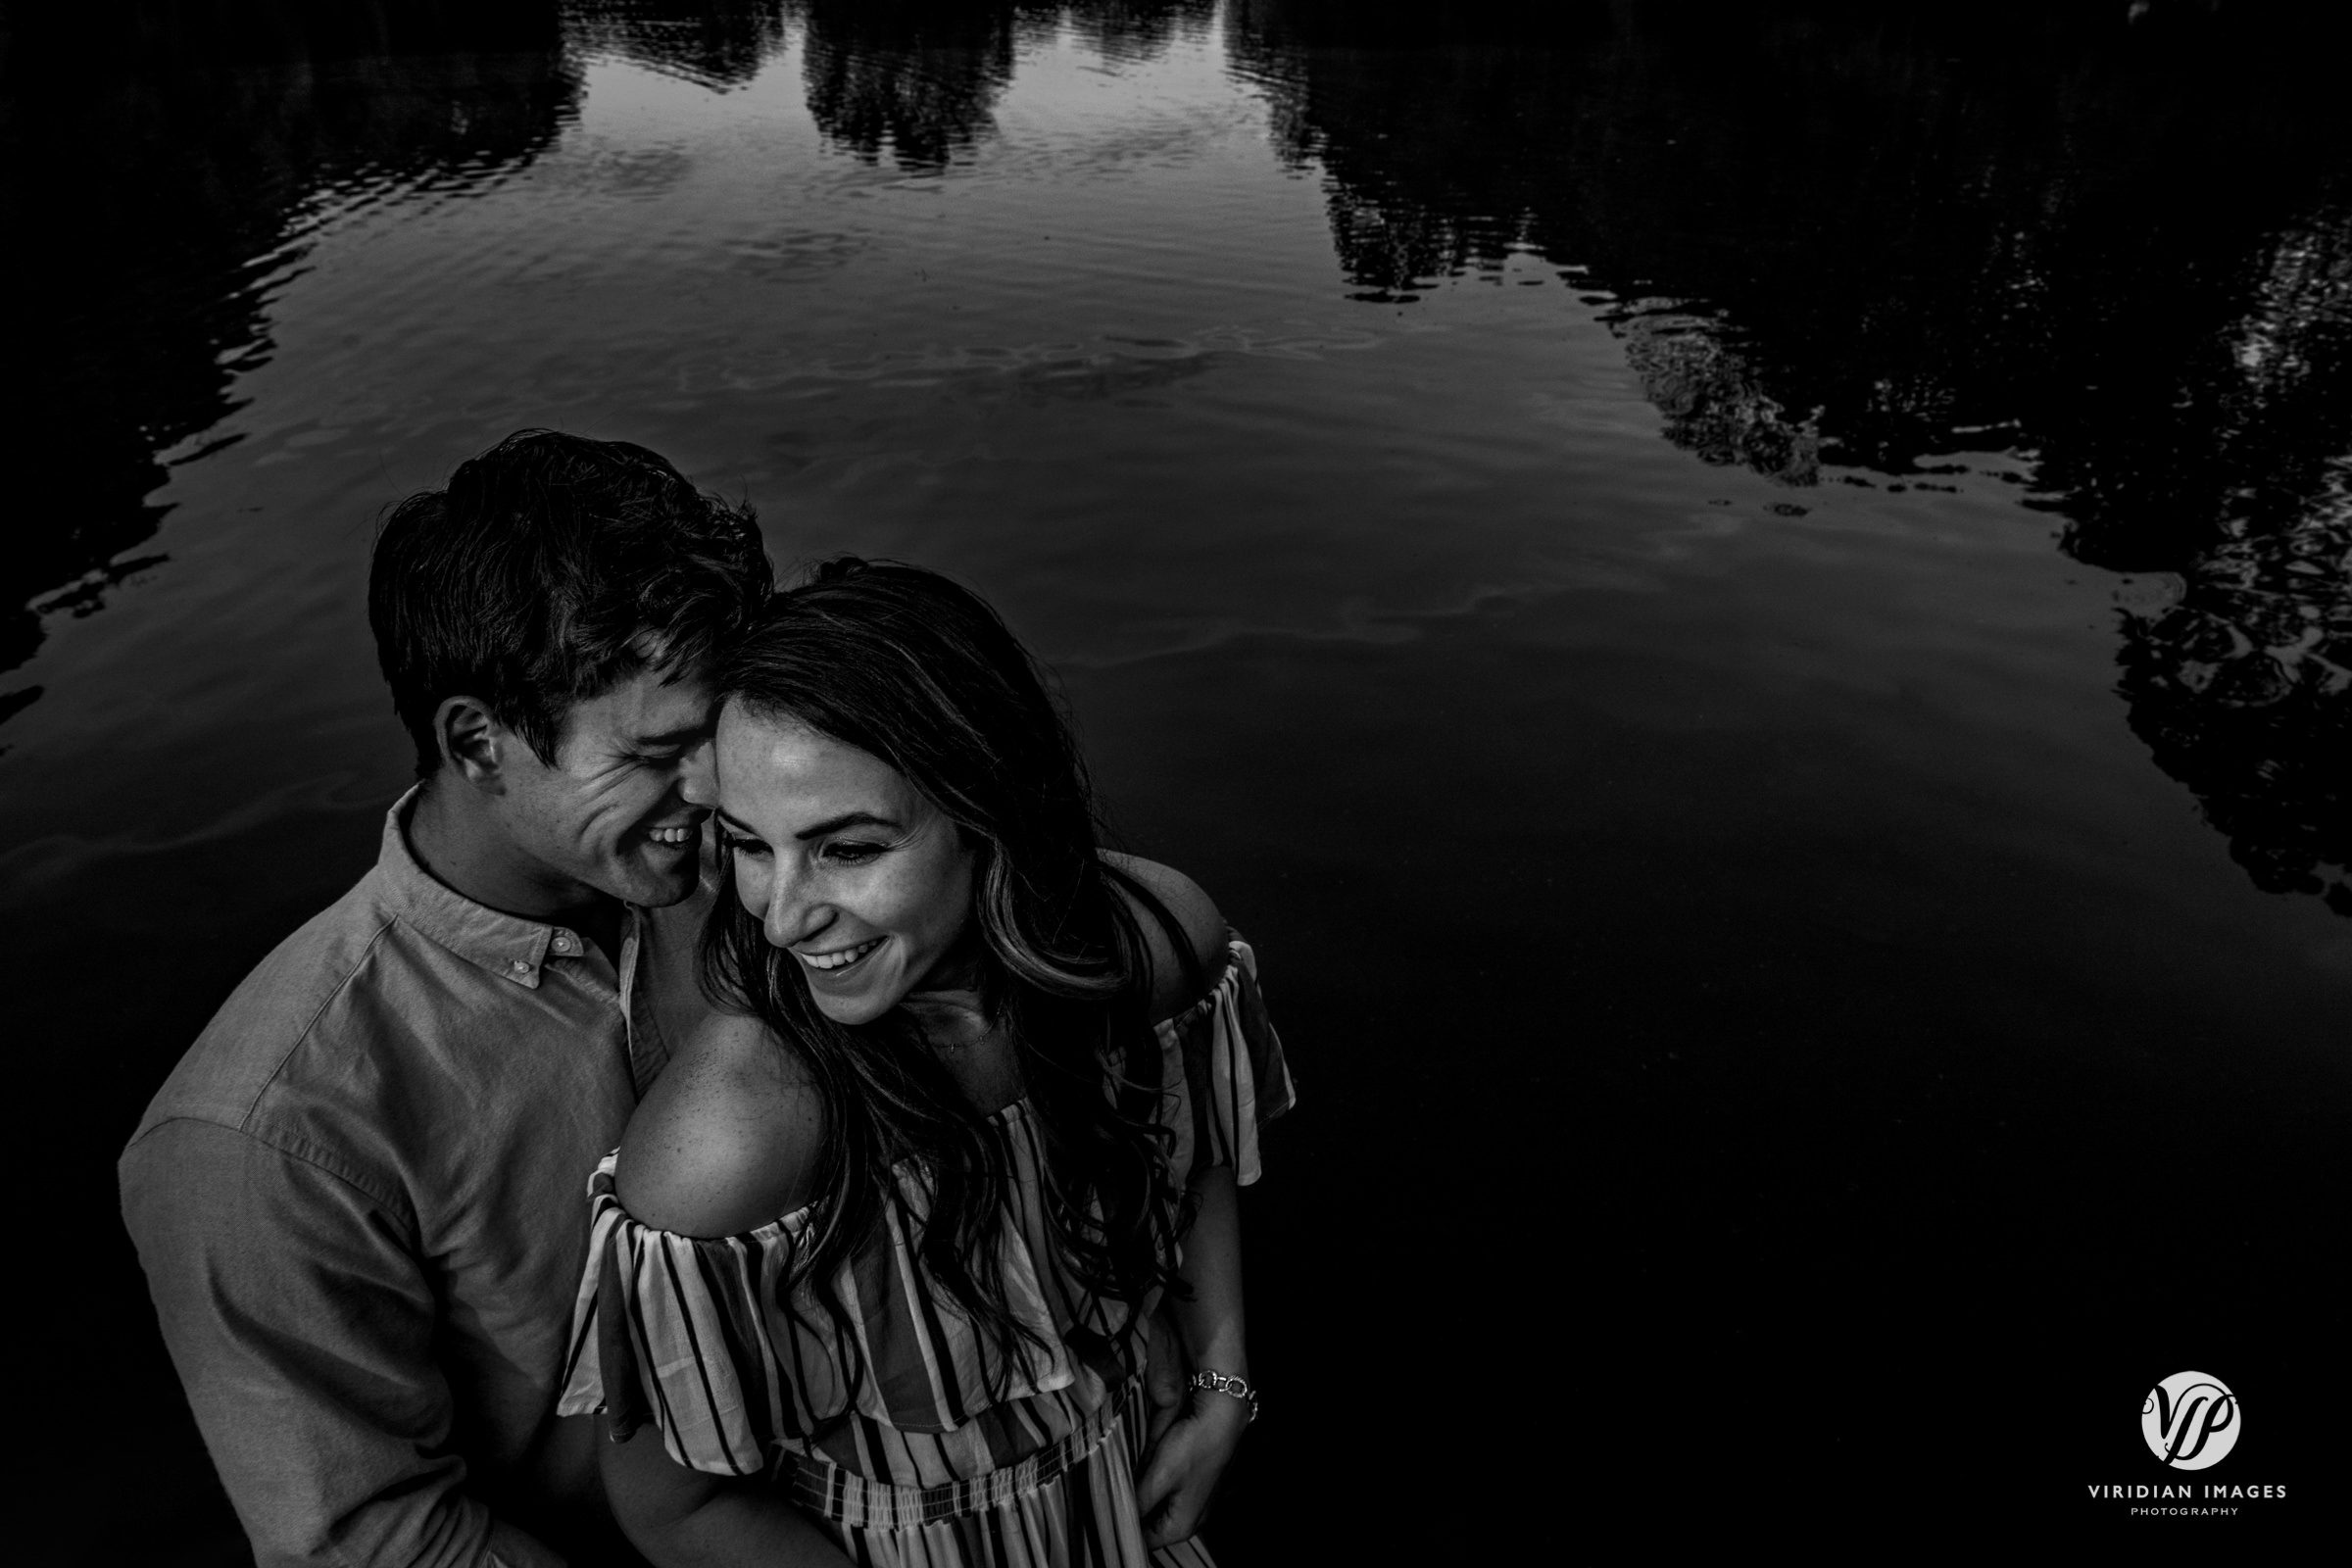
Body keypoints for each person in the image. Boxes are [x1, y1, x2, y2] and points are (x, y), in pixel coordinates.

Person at [120, 431, 773, 1568]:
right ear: (477, 740)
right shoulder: (263, 1134)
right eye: (661, 752)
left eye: (717, 739)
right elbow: (382, 1543)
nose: (712, 789)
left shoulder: (759, 875)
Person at [557, 560, 1296, 1566]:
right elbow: (671, 1507)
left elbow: (1195, 1146)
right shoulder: (734, 1139)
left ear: (988, 817)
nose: (783, 915)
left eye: (847, 848)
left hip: (1137, 1500)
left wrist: (1221, 1386)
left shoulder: (1150, 949)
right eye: (751, 844)